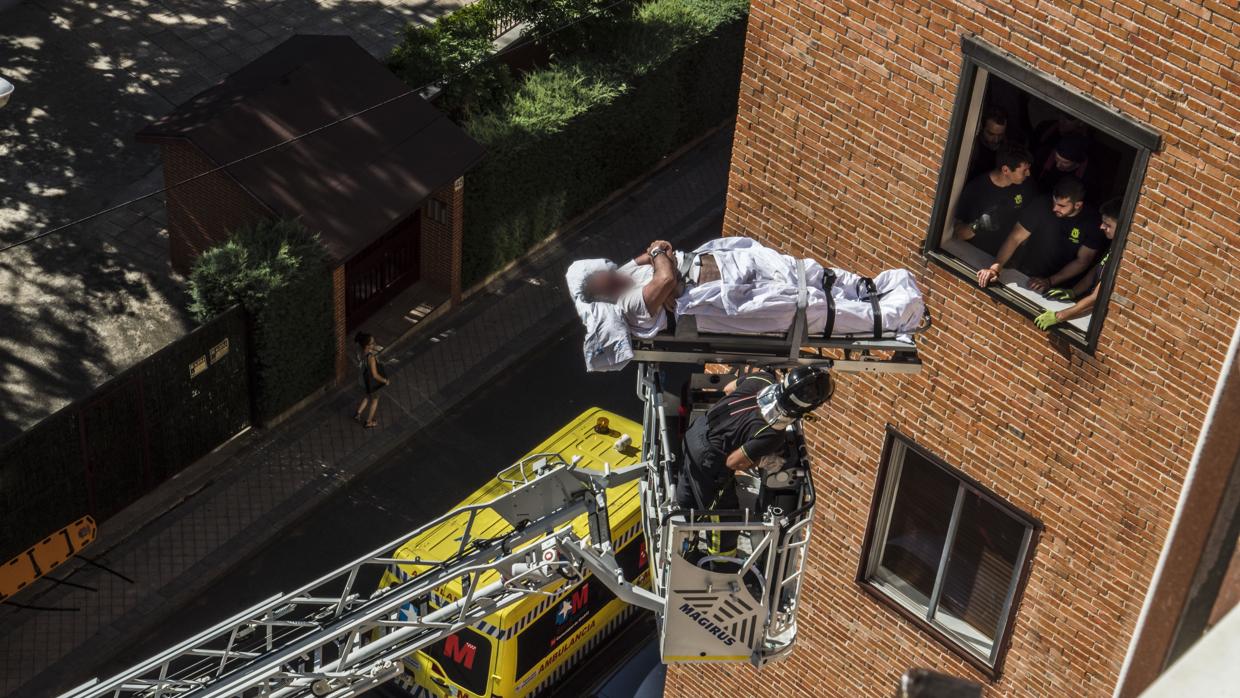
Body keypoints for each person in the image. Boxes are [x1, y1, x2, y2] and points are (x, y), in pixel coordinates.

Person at [567, 237, 927, 371]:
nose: (612, 273)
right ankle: (899, 315)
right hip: (729, 305)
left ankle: (882, 289)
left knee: (812, 276)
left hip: (738, 268)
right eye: (604, 279)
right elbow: (662, 275)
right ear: (601, 291)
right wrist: (663, 257)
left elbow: (656, 249)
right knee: (812, 306)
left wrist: (659, 254)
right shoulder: (628, 304)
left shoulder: (627, 272)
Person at [677, 367, 834, 555]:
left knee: (689, 492)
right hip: (709, 458)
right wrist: (761, 461)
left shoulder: (763, 379)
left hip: (697, 431)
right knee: (724, 518)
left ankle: (682, 536)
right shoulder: (771, 434)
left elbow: (728, 389)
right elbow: (733, 462)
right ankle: (720, 563)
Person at [976, 177, 1105, 292]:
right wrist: (995, 268)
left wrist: (1050, 281)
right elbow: (1016, 237)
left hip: (1059, 285)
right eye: (1054, 202)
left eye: (1061, 205)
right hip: (1025, 272)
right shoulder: (1041, 204)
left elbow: (1083, 260)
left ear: (1078, 205)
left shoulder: (1092, 223)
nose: (1055, 208)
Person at [1033, 198, 1121, 330]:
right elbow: (1097, 270)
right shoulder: (1114, 245)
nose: (1101, 227)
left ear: (1121, 226)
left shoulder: (1122, 256)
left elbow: (1096, 297)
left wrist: (1059, 316)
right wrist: (1073, 292)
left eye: (1107, 224)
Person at [953, 145, 1035, 256]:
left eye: (1028, 169)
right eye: (1024, 170)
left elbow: (1026, 225)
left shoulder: (1025, 187)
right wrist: (979, 225)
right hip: (974, 255)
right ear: (1005, 170)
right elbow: (958, 233)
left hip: (1003, 259)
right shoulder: (976, 189)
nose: (1028, 173)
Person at [353, 332, 389, 428]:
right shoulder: (371, 358)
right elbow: (375, 375)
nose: (375, 344)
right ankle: (369, 422)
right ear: (367, 345)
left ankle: (358, 413)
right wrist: (385, 381)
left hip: (365, 381)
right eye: (372, 343)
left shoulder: (361, 352)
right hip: (372, 383)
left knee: (367, 396)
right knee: (374, 401)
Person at [965, 110, 1009, 180]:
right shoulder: (972, 147)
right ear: (982, 127)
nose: (996, 140)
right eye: (991, 134)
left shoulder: (1007, 149)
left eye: (1000, 135)